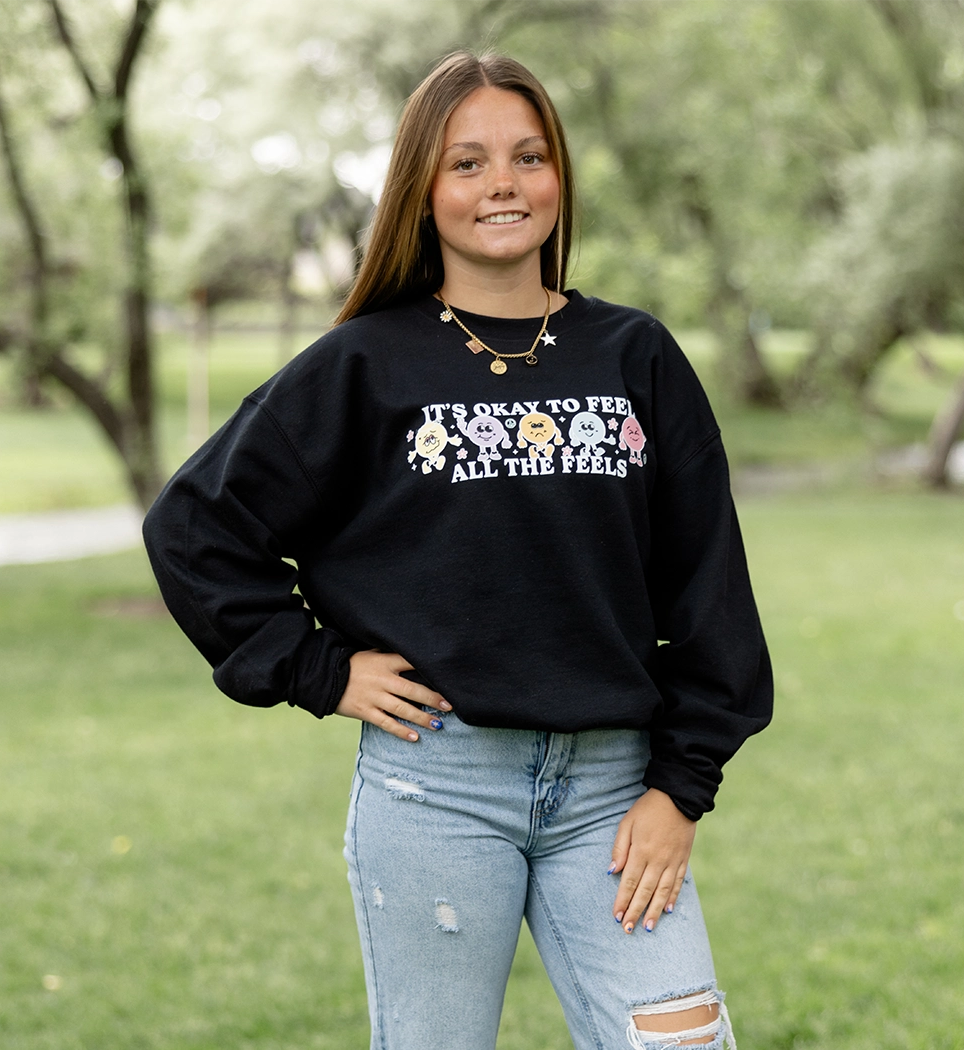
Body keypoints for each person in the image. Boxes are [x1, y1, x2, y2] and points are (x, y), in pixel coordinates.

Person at [143, 50, 772, 1050]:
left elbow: (707, 585)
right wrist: (318, 668)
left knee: (684, 1039)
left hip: (614, 797)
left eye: (528, 156)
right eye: (467, 163)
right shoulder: (364, 364)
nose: (504, 186)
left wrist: (679, 789)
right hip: (437, 789)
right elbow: (194, 526)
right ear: (421, 191)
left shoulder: (636, 354)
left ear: (560, 173)